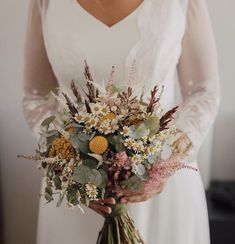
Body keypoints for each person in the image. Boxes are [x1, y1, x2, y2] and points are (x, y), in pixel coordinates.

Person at [22, 0, 220, 243]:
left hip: (162, 188)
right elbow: (36, 97)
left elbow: (204, 91)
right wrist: (69, 164)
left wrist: (167, 162)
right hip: (77, 193)